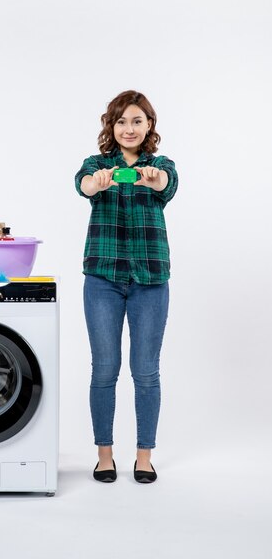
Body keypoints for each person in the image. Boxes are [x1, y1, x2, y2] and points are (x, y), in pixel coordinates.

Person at [74, 89, 178, 483]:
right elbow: (83, 185)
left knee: (146, 371)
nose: (129, 128)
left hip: (150, 280)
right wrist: (97, 184)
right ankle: (104, 455)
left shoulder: (160, 164)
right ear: (111, 126)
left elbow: (167, 183)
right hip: (102, 278)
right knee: (104, 369)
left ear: (148, 125)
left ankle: (144, 456)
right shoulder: (96, 164)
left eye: (136, 120)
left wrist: (153, 180)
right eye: (121, 121)